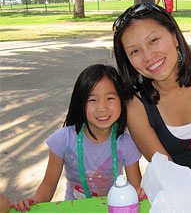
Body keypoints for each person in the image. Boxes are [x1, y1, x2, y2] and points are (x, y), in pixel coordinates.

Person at [113, 2, 191, 180]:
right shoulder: (136, 107)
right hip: (175, 195)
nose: (148, 56)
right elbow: (170, 175)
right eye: (135, 51)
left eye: (153, 41)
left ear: (174, 36)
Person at [12, 64, 145, 212]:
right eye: (92, 100)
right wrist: (34, 203)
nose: (102, 108)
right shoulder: (63, 140)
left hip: (111, 208)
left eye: (110, 98)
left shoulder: (126, 143)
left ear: (122, 100)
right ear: (80, 102)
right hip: (74, 208)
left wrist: (141, 192)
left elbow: (135, 188)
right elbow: (48, 186)